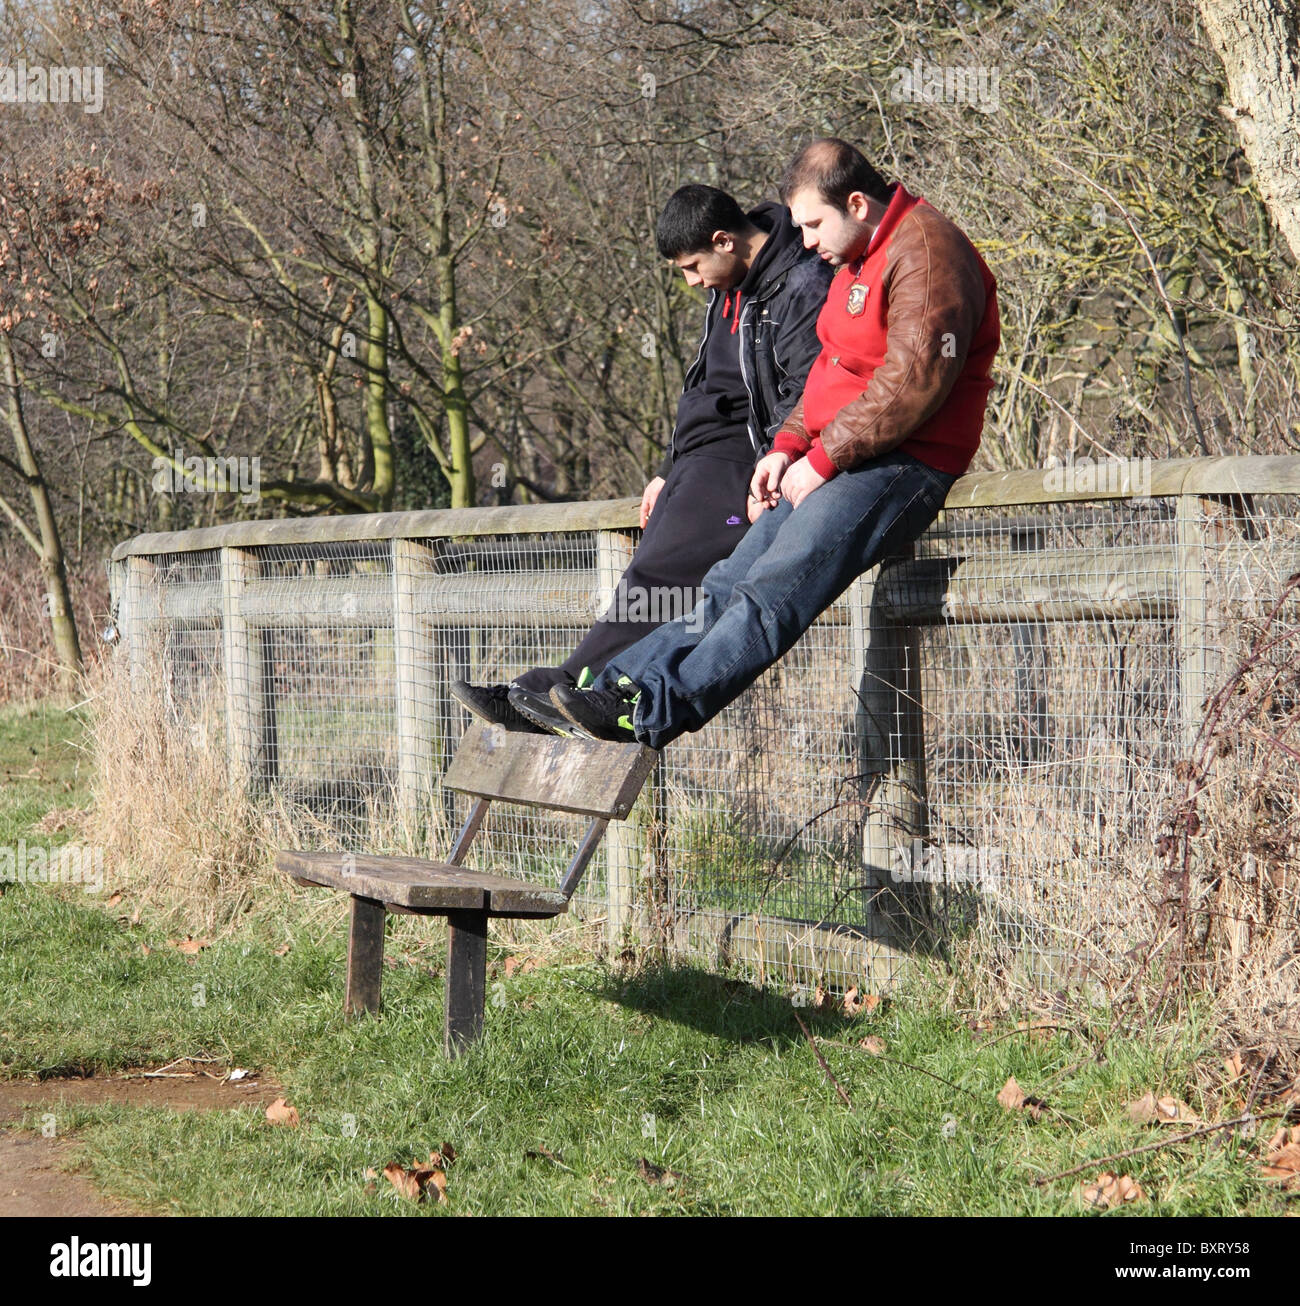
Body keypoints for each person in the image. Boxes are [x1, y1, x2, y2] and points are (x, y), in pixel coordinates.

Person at [547, 137, 1001, 746]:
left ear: (858, 204)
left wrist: (822, 457)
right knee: (726, 580)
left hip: (903, 460)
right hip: (842, 456)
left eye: (814, 224)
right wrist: (786, 446)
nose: (807, 241)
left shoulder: (925, 249)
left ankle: (654, 709)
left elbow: (913, 381)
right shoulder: (856, 259)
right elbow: (828, 373)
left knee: (774, 587)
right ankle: (618, 686)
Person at [452, 183, 833, 733]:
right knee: (649, 582)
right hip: (700, 459)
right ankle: (567, 690)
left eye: (693, 266)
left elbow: (809, 388)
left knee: (658, 583)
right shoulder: (730, 287)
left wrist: (777, 464)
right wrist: (668, 467)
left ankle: (576, 693)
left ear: (724, 241)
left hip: (746, 460)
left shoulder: (799, 282)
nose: (692, 281)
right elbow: (707, 393)